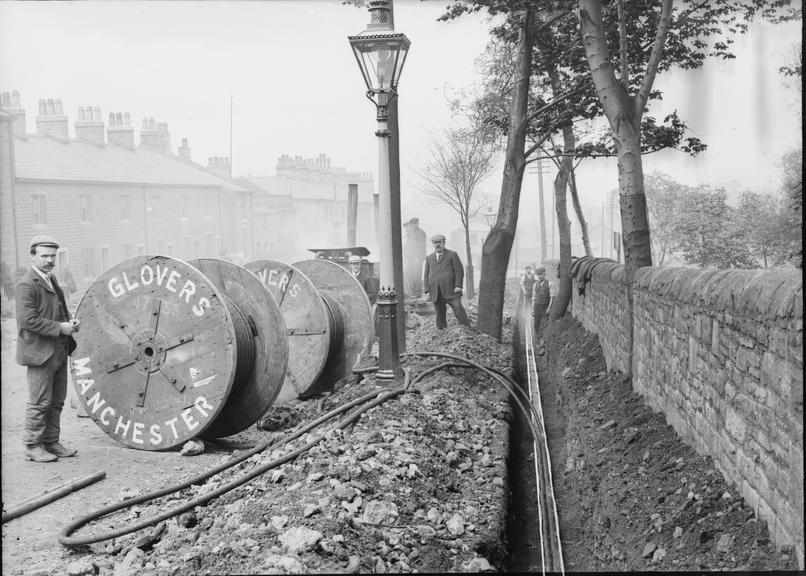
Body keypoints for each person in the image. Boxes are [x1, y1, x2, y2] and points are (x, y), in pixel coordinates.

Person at [15, 235, 80, 462]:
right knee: (39, 402)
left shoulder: (51, 280)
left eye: (53, 256)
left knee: (57, 401)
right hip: (39, 353)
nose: (49, 260)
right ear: (33, 256)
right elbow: (27, 321)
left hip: (58, 351)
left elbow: (59, 311)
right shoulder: (26, 285)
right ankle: (32, 446)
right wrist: (60, 328)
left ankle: (51, 442)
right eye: (44, 256)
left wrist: (70, 322)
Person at [423, 234, 470, 329]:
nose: (437, 245)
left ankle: (466, 328)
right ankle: (441, 331)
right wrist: (427, 290)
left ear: (444, 242)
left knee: (458, 308)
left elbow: (459, 271)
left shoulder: (452, 255)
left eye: (439, 242)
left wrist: (458, 286)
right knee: (439, 313)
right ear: (432, 244)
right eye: (435, 243)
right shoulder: (429, 258)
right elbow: (426, 275)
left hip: (452, 290)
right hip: (436, 291)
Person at [403, 217, 426, 299]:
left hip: (417, 258)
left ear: (417, 224)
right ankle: (412, 292)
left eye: (414, 224)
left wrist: (418, 258)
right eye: (411, 224)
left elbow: (422, 246)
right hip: (410, 258)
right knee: (411, 275)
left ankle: (417, 293)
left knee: (416, 275)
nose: (412, 225)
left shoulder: (420, 232)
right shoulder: (411, 233)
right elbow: (408, 246)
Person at [531, 266, 552, 336]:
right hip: (537, 307)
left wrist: (549, 308)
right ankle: (536, 340)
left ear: (544, 274)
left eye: (541, 274)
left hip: (545, 307)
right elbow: (534, 298)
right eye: (538, 274)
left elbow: (552, 297)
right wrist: (532, 309)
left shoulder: (550, 284)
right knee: (536, 325)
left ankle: (543, 340)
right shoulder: (535, 284)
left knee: (543, 324)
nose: (539, 276)